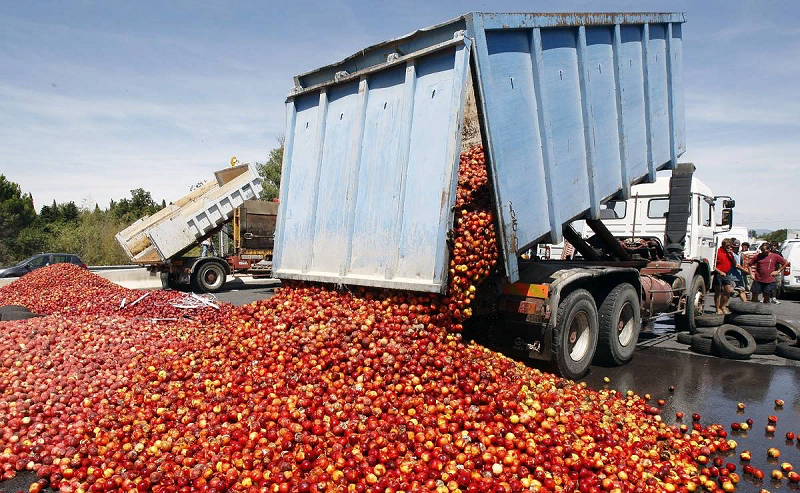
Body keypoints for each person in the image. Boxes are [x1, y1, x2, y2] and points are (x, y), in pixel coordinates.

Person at [712, 238, 735, 314]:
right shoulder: (718, 252)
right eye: (727, 245)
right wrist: (720, 271)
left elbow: (734, 264)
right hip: (718, 273)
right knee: (718, 291)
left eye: (729, 245)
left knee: (728, 290)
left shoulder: (729, 253)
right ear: (723, 245)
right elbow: (713, 264)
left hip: (726, 273)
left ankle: (723, 306)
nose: (728, 247)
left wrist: (731, 254)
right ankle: (717, 308)